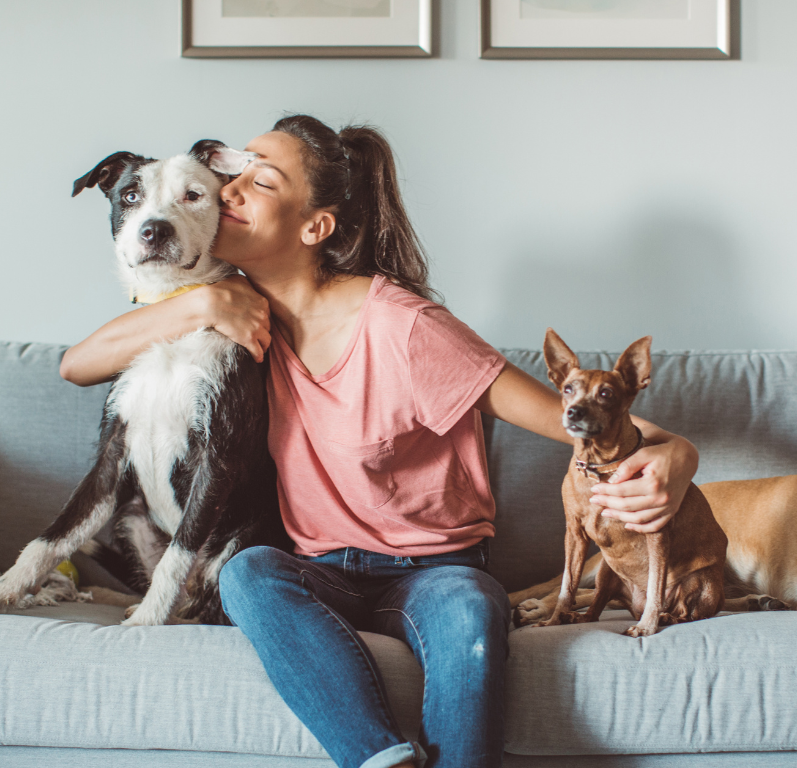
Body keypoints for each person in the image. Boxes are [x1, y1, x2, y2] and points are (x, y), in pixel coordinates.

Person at [59, 114, 699, 768]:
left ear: (315, 227)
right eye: (238, 170)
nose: (231, 189)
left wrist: (677, 451)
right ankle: (381, 758)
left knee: (472, 613)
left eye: (262, 180)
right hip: (319, 569)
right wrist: (197, 307)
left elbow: (564, 418)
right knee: (249, 572)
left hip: (435, 572)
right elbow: (77, 365)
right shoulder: (233, 309)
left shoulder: (403, 325)